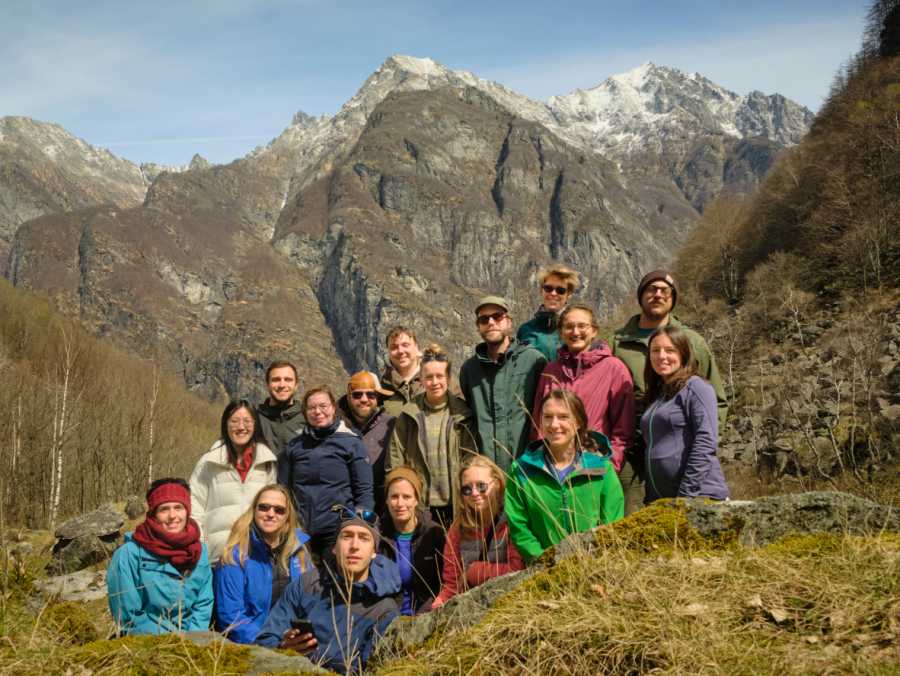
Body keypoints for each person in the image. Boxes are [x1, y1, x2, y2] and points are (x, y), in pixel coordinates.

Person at [608, 270, 728, 514]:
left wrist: (703, 445)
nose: (658, 294)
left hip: (684, 460)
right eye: (651, 289)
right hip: (632, 452)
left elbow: (715, 400)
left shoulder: (693, 342)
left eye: (665, 290)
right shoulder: (617, 343)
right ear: (641, 296)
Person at [256, 511, 401, 675]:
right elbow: (264, 640)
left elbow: (375, 670)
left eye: (364, 538)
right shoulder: (307, 584)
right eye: (346, 536)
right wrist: (283, 647)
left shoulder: (384, 609)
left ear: (374, 552)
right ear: (334, 547)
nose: (354, 546)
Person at [506, 390, 624, 565]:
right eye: (547, 417)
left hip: (596, 567)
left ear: (577, 422)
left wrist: (597, 559)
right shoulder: (521, 471)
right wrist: (545, 562)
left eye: (563, 417)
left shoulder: (601, 469)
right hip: (545, 572)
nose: (554, 424)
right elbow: (519, 528)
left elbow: (613, 522)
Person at [532, 303, 634, 474]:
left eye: (582, 326)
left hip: (594, 464)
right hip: (553, 466)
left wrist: (609, 466)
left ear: (594, 330)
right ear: (561, 332)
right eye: (569, 326)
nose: (576, 332)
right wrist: (540, 466)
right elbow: (538, 424)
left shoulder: (613, 368)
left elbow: (623, 429)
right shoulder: (551, 371)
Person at [387, 344, 478, 527]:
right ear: (421, 379)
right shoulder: (409, 414)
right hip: (420, 505)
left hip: (456, 503)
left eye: (439, 376)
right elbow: (395, 459)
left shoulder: (463, 414)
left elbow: (471, 459)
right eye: (429, 377)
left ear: (448, 377)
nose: (434, 382)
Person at [107, 478, 213, 634]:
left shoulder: (199, 550)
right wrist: (172, 644)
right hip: (147, 644)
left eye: (178, 507)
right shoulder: (129, 554)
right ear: (153, 514)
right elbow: (128, 616)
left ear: (187, 511)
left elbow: (203, 603)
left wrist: (194, 641)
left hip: (193, 644)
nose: (173, 515)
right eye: (164, 509)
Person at [279, 386, 374, 557]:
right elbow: (282, 490)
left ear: (333, 408)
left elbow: (364, 491)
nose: (318, 411)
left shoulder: (351, 443)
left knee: (335, 580)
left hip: (337, 529)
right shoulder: (294, 446)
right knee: (302, 580)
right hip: (300, 531)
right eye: (312, 407)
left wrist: (359, 526)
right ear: (305, 412)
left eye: (323, 406)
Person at [641, 326, 730, 503]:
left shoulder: (696, 388)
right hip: (663, 500)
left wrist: (685, 496)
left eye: (670, 350)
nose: (662, 356)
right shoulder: (658, 395)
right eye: (655, 350)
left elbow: (705, 442)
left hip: (698, 496)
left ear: (683, 353)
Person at [214, 484, 312, 644]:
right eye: (264, 508)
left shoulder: (300, 555)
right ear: (254, 510)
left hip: (296, 641)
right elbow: (231, 617)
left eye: (279, 510)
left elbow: (312, 604)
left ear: (288, 516)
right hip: (251, 644)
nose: (271, 514)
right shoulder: (234, 557)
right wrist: (273, 642)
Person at [459, 296, 547, 473]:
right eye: (484, 319)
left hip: (527, 469)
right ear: (478, 326)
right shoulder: (470, 370)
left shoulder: (534, 361)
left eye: (497, 316)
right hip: (487, 473)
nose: (491, 322)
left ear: (508, 321)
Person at [190, 400, 278, 562]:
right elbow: (195, 505)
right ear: (226, 424)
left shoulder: (267, 463)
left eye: (247, 421)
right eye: (235, 421)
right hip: (217, 555)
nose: (241, 427)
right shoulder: (209, 462)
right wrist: (201, 545)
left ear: (255, 424)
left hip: (257, 555)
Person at [431, 455, 524, 608]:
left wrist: (475, 571)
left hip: (511, 602)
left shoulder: (513, 520)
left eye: (481, 486)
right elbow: (452, 584)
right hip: (473, 607)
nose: (474, 493)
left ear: (498, 484)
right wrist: (438, 604)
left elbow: (518, 570)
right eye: (467, 489)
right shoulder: (457, 530)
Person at [377, 467, 445, 615]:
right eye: (394, 496)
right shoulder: (377, 535)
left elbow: (444, 584)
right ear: (387, 500)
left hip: (427, 614)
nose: (400, 503)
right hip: (387, 617)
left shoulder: (434, 534)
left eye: (406, 497)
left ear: (416, 500)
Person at [337, 371, 396, 516]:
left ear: (378, 398)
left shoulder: (391, 426)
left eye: (371, 395)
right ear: (348, 396)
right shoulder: (336, 426)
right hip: (342, 509)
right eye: (357, 395)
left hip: (383, 511)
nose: (364, 399)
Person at [380, 325, 462, 417]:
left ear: (416, 347)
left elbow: (462, 412)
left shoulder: (441, 379)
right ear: (388, 351)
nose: (400, 351)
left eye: (405, 345)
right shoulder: (383, 387)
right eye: (394, 347)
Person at [516, 265, 581, 361]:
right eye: (548, 288)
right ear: (541, 290)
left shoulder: (577, 330)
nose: (553, 293)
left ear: (568, 295)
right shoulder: (525, 330)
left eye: (560, 290)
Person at [257, 361, 306, 459]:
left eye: (288, 379)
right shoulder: (254, 419)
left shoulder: (309, 418)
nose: (282, 385)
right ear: (267, 384)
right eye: (276, 380)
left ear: (296, 385)